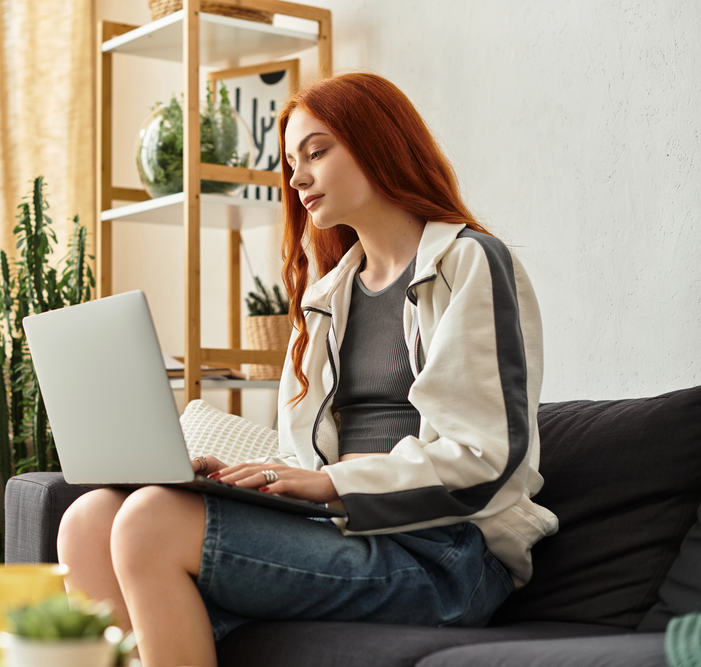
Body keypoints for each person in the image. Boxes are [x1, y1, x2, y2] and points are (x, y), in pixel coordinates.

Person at [57, 72, 559, 667]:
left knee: (149, 522)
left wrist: (334, 484)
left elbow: (486, 461)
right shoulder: (325, 300)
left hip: (446, 553)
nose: (296, 179)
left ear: (380, 143)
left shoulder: (468, 262)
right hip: (343, 531)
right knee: (88, 519)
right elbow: (308, 462)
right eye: (291, 162)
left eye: (316, 152)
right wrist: (256, 477)